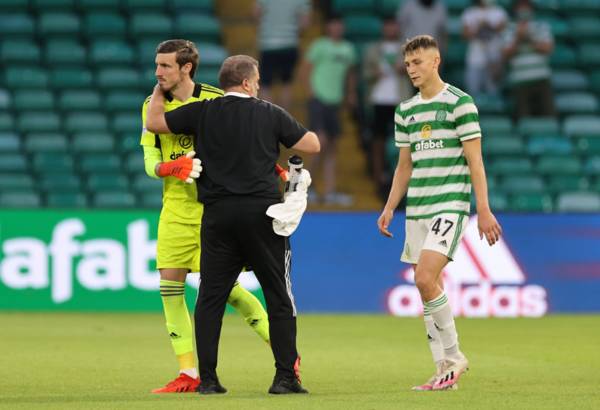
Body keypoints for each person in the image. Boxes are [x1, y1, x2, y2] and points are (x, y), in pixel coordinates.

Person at [146, 55, 320, 394]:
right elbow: (311, 143)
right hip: (262, 215)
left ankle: (208, 380)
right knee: (279, 296)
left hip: (218, 216)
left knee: (210, 298)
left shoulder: (204, 111)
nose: (257, 85)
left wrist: (158, 89)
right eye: (255, 80)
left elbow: (155, 122)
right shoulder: (269, 112)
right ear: (246, 82)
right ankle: (285, 377)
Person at [139, 40, 271, 393]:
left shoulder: (214, 99)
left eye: (165, 66)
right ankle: (187, 373)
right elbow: (150, 164)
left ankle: (285, 355)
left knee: (227, 291)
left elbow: (245, 140)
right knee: (170, 288)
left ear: (186, 68)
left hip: (213, 210)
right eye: (157, 65)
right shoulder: (150, 108)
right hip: (175, 212)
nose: (158, 72)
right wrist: (171, 167)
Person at [377, 35, 501, 391]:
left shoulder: (460, 103)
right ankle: (444, 369)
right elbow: (404, 166)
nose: (411, 70)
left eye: (417, 63)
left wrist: (483, 208)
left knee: (424, 278)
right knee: (428, 287)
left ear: (436, 61)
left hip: (449, 202)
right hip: (417, 207)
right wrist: (389, 207)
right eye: (407, 65)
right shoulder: (406, 110)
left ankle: (455, 355)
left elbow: (475, 159)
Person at [302, 16, 357, 206]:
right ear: (328, 26)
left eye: (339, 24)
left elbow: (350, 74)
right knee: (320, 143)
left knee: (332, 147)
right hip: (319, 100)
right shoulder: (320, 45)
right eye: (334, 24)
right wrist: (311, 94)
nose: (337, 27)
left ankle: (329, 190)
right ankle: (305, 188)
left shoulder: (348, 49)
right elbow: (306, 69)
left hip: (335, 102)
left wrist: (350, 94)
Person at [363, 18, 414, 198]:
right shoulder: (373, 49)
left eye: (394, 26)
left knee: (405, 143)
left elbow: (420, 74)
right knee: (378, 141)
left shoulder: (408, 50)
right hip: (379, 99)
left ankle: (403, 180)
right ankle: (378, 179)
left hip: (401, 101)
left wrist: (406, 69)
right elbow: (365, 73)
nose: (391, 29)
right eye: (388, 26)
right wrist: (374, 73)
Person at [502, 0, 555, 119]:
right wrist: (517, 38)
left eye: (526, 6)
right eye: (521, 6)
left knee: (549, 115)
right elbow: (505, 54)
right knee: (523, 117)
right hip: (519, 80)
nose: (524, 10)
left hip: (542, 78)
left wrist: (528, 37)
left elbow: (547, 48)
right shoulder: (509, 28)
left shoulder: (542, 26)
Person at [254, 0, 311, 111]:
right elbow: (305, 23)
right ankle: (283, 120)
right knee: (287, 84)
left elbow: (256, 13)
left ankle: (270, 119)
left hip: (268, 44)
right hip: (290, 44)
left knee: (265, 85)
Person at [461, 0, 508, 97]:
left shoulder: (500, 12)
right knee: (472, 94)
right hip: (474, 60)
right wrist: (478, 28)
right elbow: (465, 35)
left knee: (494, 94)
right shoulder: (469, 12)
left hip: (494, 60)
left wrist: (488, 26)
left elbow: (503, 30)